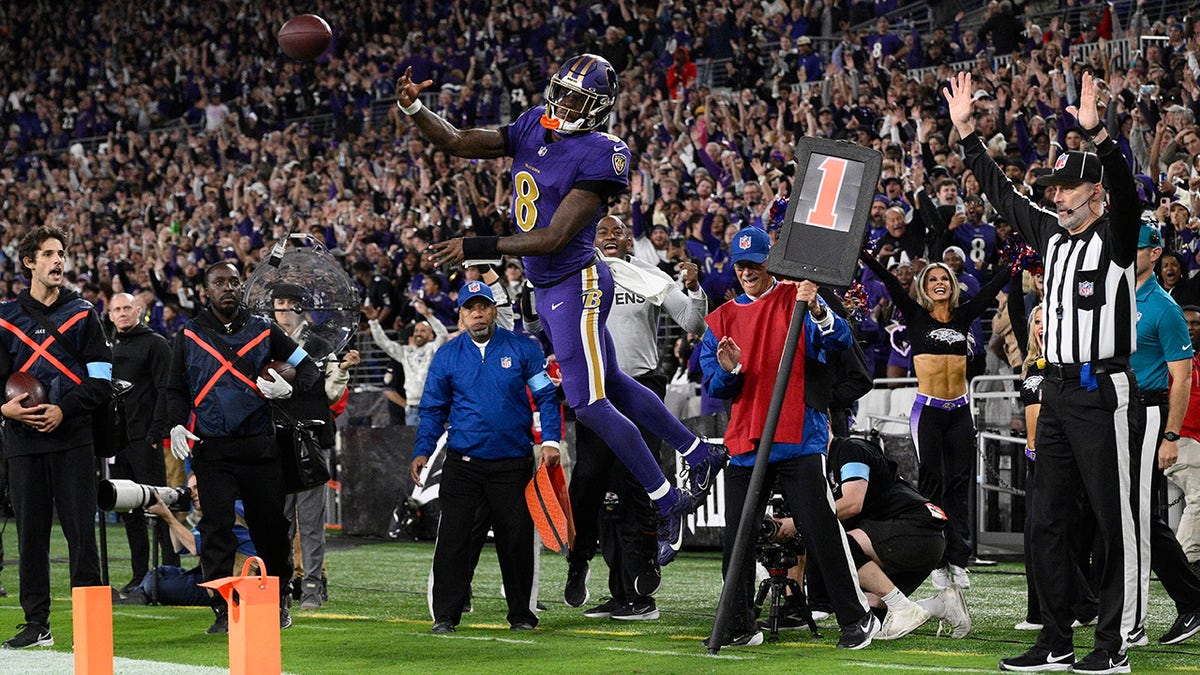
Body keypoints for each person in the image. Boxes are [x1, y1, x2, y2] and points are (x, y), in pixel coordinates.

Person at [405, 53, 727, 566]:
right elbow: (459, 141)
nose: (564, 102)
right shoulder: (535, 122)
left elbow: (553, 236)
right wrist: (416, 109)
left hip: (575, 282)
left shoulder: (604, 152)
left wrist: (477, 246)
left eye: (577, 97)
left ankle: (666, 499)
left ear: (598, 108)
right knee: (614, 384)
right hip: (551, 288)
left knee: (590, 404)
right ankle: (698, 450)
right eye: (562, 89)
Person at [948, 71, 1146, 673]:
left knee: (1112, 520)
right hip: (1054, 390)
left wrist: (1098, 135)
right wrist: (965, 139)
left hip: (1101, 388)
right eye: (1055, 190)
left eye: (1067, 189)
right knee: (1048, 519)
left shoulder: (1115, 236)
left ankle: (1112, 645)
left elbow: (1130, 194)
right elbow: (1005, 197)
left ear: (1095, 194)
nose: (1057, 197)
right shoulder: (1054, 240)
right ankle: (1056, 637)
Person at [698, 226, 876, 649]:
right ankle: (740, 623)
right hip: (744, 441)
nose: (746, 272)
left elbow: (838, 341)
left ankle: (856, 618)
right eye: (740, 265)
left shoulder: (798, 297)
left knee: (819, 529)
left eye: (754, 264)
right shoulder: (721, 319)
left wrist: (816, 308)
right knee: (736, 539)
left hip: (797, 435)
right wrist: (729, 369)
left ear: (771, 262)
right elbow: (715, 385)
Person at [164, 261, 321, 635]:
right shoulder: (188, 336)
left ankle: (280, 599)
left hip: (259, 447)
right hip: (211, 449)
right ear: (206, 291)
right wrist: (175, 425)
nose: (228, 287)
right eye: (219, 282)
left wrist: (290, 389)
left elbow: (309, 369)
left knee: (271, 528)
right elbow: (174, 389)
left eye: (234, 281)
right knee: (216, 530)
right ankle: (222, 608)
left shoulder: (264, 329)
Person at [566, 214, 709, 619]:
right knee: (594, 486)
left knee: (636, 486)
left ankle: (643, 579)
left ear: (631, 241)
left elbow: (694, 322)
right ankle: (596, 574)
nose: (610, 237)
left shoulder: (646, 276)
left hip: (641, 390)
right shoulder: (578, 276)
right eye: (602, 231)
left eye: (618, 232)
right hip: (594, 392)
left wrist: (695, 290)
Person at [411, 281, 560, 633]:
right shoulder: (446, 356)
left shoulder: (524, 348)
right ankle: (446, 615)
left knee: (517, 540)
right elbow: (432, 410)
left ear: (494, 310)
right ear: (460, 315)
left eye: (483, 306)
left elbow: (546, 398)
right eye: (469, 308)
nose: (477, 313)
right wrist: (422, 450)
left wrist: (551, 439)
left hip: (512, 463)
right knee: (453, 541)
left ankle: (522, 615)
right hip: (463, 464)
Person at [858, 249, 1010, 593]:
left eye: (944, 278)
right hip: (927, 410)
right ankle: (936, 560)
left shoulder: (964, 315)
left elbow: (990, 289)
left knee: (959, 484)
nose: (939, 283)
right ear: (924, 287)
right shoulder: (914, 314)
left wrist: (1015, 265)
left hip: (959, 410)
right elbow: (889, 282)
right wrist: (866, 256)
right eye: (932, 279)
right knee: (932, 484)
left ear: (953, 285)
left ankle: (958, 558)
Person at [0, 226, 113, 649]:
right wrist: (4, 409)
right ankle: (37, 625)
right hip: (23, 442)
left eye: (61, 253)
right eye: (48, 254)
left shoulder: (84, 313)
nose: (58, 261)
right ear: (30, 262)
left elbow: (102, 381)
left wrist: (64, 408)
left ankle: (93, 627)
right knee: (30, 537)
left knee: (82, 536)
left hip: (74, 439)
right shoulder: (5, 317)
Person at [1128, 224, 1200, 646]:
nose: (1127, 254)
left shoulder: (1164, 307)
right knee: (1123, 515)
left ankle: (1189, 601)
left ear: (1154, 253)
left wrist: (1170, 433)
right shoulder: (1120, 296)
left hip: (1149, 410)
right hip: (1120, 408)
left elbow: (1183, 376)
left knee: (1139, 514)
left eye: (1135, 248)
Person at [270, 282, 361, 611]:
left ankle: (311, 584)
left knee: (310, 521)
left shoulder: (320, 344)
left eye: (289, 303)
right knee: (280, 521)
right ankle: (281, 587)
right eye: (278, 303)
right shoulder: (265, 343)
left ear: (300, 308)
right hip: (277, 440)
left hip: (310, 439)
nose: (283, 309)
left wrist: (342, 372)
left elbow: (330, 395)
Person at [824, 434, 962, 641]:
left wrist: (802, 522)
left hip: (914, 531)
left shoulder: (849, 449)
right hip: (919, 536)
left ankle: (901, 605)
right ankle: (942, 605)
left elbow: (853, 503)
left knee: (835, 544)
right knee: (873, 615)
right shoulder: (826, 461)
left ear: (824, 424)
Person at [108, 291, 179, 595]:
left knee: (158, 506)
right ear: (110, 315)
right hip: (118, 442)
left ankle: (171, 572)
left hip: (144, 439)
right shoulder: (108, 346)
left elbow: (166, 390)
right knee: (128, 511)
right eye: (116, 309)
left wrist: (155, 434)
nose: (122, 313)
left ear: (138, 310)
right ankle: (139, 575)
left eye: (127, 308)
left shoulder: (156, 344)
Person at [1176, 305, 1200, 575]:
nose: (1190, 328)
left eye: (1195, 324)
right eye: (1186, 324)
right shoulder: (1171, 356)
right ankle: (1184, 562)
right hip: (1179, 438)